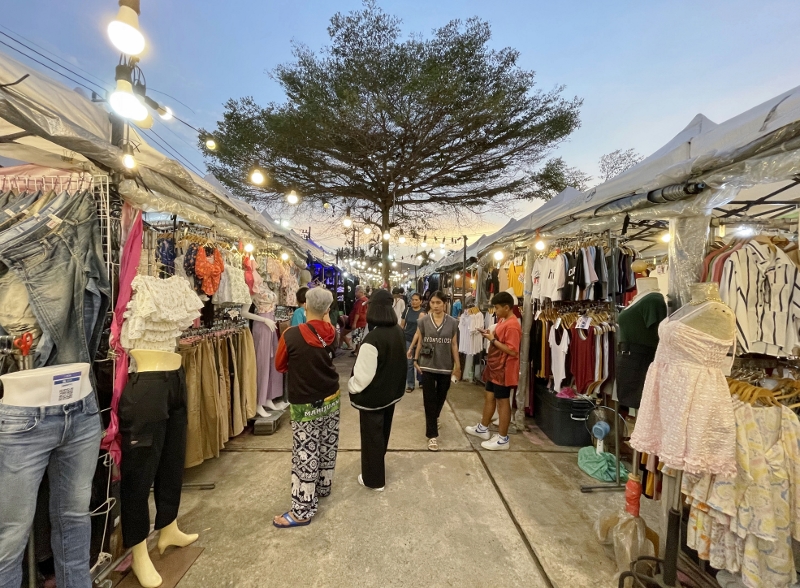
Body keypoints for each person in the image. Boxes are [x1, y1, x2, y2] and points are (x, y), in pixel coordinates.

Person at [273, 288, 340, 527]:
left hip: (304, 401)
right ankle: (323, 486)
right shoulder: (332, 333)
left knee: (305, 452)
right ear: (328, 309)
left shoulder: (291, 335)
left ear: (305, 305)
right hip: (331, 397)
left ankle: (302, 510)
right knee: (327, 444)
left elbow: (280, 366)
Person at [348, 289, 407, 490]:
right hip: (391, 394)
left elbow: (362, 377)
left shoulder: (372, 339)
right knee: (382, 434)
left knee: (371, 437)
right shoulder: (398, 331)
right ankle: (377, 466)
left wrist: (351, 386)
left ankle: (374, 480)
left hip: (373, 397)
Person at [465, 292, 522, 451]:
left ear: (506, 307)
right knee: (489, 395)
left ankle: (503, 439)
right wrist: (489, 335)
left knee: (503, 402)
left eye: (497, 308)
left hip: (504, 369)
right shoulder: (503, 320)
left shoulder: (513, 325)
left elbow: (513, 351)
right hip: (495, 367)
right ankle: (483, 428)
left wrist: (492, 340)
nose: (495, 311)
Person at [413, 291, 461, 452]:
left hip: (445, 365)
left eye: (438, 303)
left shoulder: (452, 322)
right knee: (429, 399)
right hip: (427, 365)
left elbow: (454, 344)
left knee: (441, 396)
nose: (435, 306)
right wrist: (415, 359)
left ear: (445, 304)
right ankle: (432, 435)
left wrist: (458, 366)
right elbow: (421, 341)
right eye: (432, 303)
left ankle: (435, 417)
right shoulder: (423, 321)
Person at [401, 293, 426, 392]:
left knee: (421, 362)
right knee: (409, 363)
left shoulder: (423, 313)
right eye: (412, 300)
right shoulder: (407, 311)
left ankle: (421, 381)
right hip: (408, 339)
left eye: (416, 300)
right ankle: (410, 384)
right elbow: (402, 325)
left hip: (420, 341)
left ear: (421, 301)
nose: (414, 302)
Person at [344, 285, 368, 354]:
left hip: (358, 322)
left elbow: (358, 312)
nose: (355, 293)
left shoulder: (360, 301)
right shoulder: (365, 300)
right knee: (359, 336)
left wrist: (354, 323)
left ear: (360, 292)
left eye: (356, 292)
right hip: (362, 321)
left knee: (357, 336)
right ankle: (357, 349)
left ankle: (358, 351)